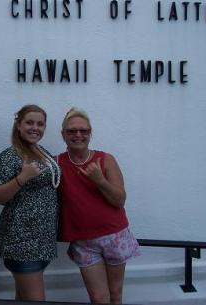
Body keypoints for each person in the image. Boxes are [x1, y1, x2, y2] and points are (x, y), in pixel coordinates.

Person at [57, 108, 140, 304]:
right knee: (98, 298)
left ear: (90, 133)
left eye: (84, 130)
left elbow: (120, 200)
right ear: (63, 135)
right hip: (83, 241)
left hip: (115, 236)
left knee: (115, 294)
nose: (78, 135)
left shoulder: (106, 159)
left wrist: (99, 180)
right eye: (72, 131)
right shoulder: (57, 162)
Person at [0, 104, 61, 301]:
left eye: (40, 124)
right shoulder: (11, 155)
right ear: (18, 125)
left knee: (24, 298)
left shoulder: (41, 152)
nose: (35, 127)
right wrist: (22, 178)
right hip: (22, 242)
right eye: (29, 122)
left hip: (42, 241)